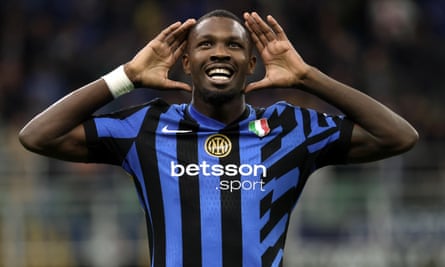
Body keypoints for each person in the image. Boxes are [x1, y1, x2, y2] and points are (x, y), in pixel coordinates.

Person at [19, 9, 418, 267]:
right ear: (187, 64)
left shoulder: (289, 128)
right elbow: (37, 136)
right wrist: (126, 77)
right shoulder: (148, 126)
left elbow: (398, 136)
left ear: (252, 64)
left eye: (234, 45)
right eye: (206, 44)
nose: (220, 53)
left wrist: (308, 77)